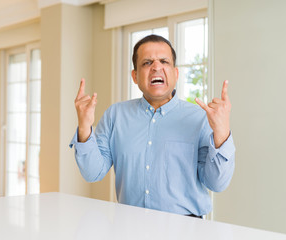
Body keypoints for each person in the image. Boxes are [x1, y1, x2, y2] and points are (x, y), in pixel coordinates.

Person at [70, 34, 235, 218]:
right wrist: (84, 127)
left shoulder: (199, 118)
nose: (156, 67)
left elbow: (217, 184)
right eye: (147, 63)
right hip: (129, 227)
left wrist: (221, 133)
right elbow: (93, 173)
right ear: (135, 76)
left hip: (187, 230)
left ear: (176, 73)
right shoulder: (115, 115)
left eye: (164, 61)